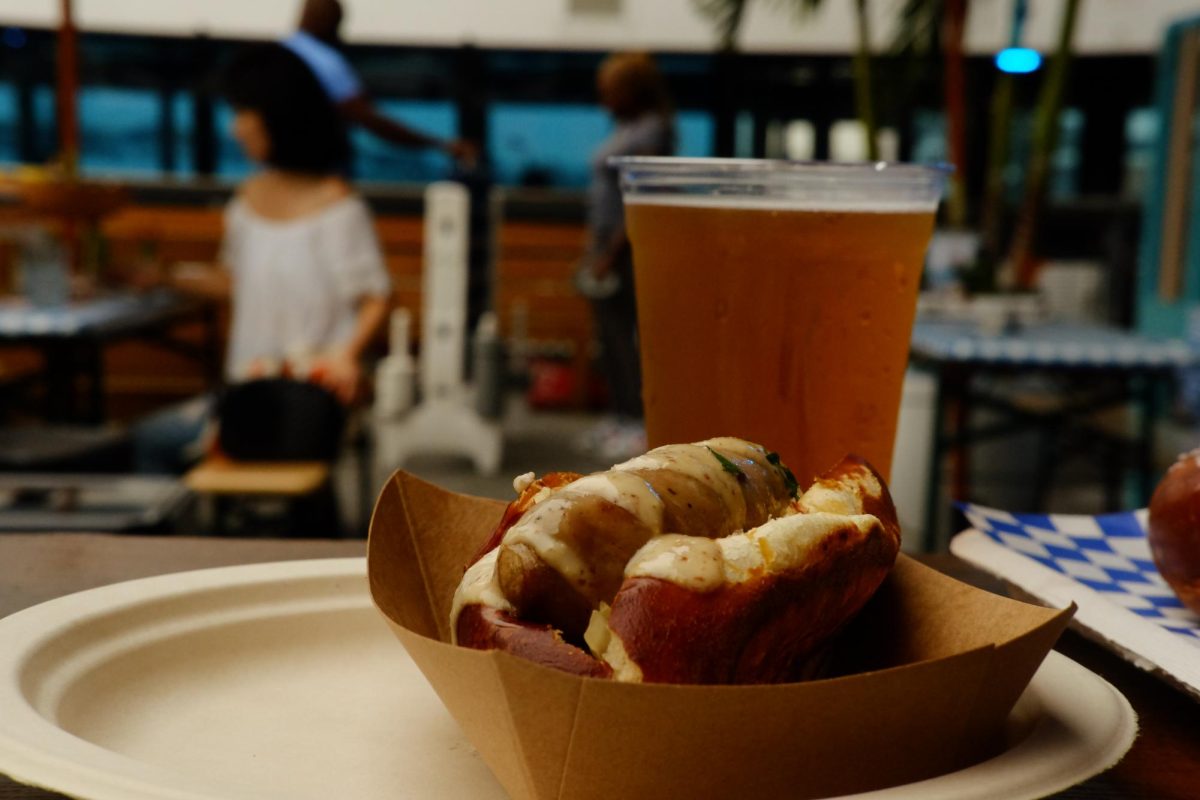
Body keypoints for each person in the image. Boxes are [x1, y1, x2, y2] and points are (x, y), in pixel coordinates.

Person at [133, 44, 391, 473]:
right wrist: (166, 276)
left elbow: (376, 297)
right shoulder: (245, 202)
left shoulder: (339, 208)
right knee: (154, 439)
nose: (235, 129)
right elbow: (234, 280)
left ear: (277, 115)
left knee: (151, 442)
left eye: (242, 113)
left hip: (306, 399)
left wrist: (346, 356)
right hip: (244, 394)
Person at [577, 52, 675, 460]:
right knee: (609, 336)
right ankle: (620, 413)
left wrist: (612, 251)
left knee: (627, 337)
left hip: (626, 247)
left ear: (632, 90)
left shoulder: (653, 130)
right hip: (604, 244)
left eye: (611, 92)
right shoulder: (626, 128)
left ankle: (638, 421)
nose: (605, 101)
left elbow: (644, 196)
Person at [283, 0, 476, 164]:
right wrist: (439, 144)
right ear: (334, 26)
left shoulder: (279, 54)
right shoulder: (325, 61)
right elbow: (370, 119)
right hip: (313, 173)